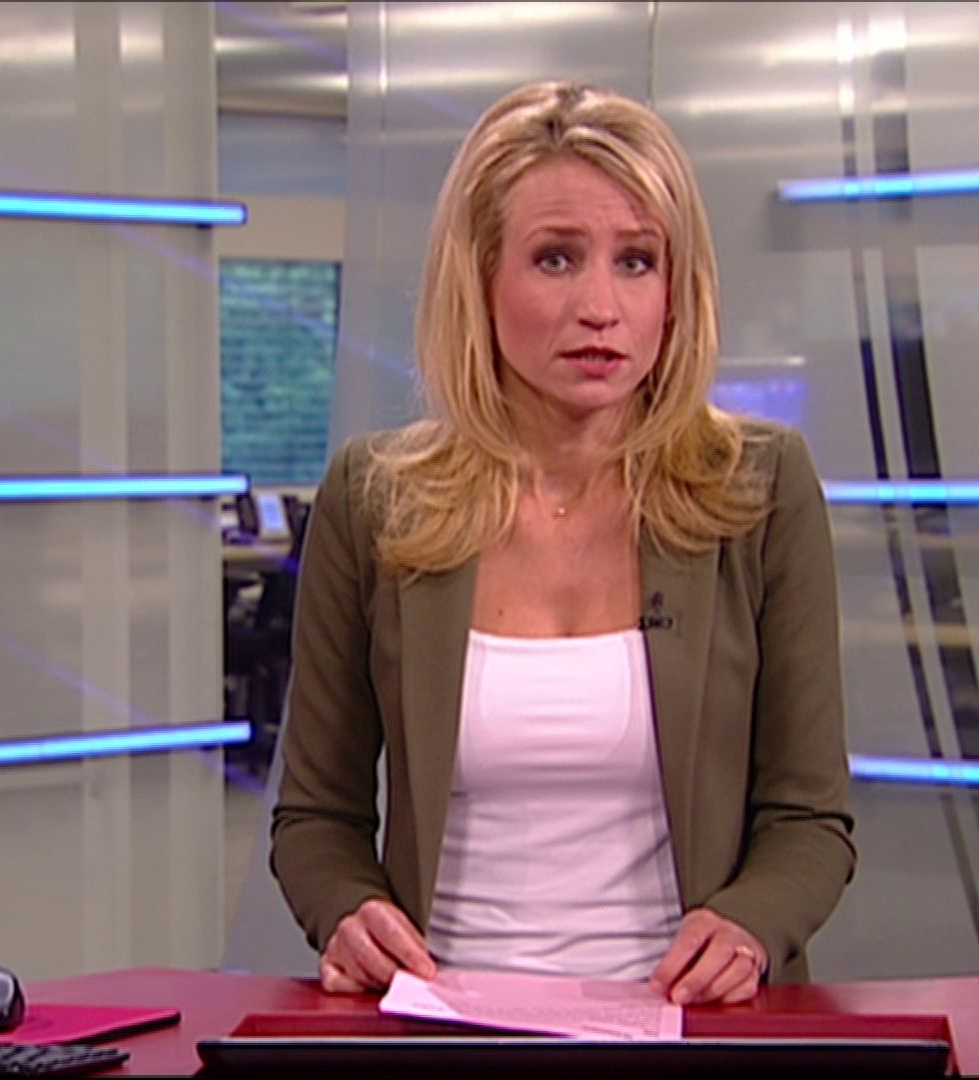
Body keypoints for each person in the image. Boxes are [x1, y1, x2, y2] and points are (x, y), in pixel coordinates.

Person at [270, 79, 854, 1007]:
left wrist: (750, 925)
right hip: (443, 1023)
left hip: (685, 1027)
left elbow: (810, 818)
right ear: (480, 278)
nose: (600, 306)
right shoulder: (375, 499)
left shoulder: (760, 490)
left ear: (676, 291)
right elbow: (316, 817)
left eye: (637, 261)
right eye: (555, 259)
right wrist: (347, 909)